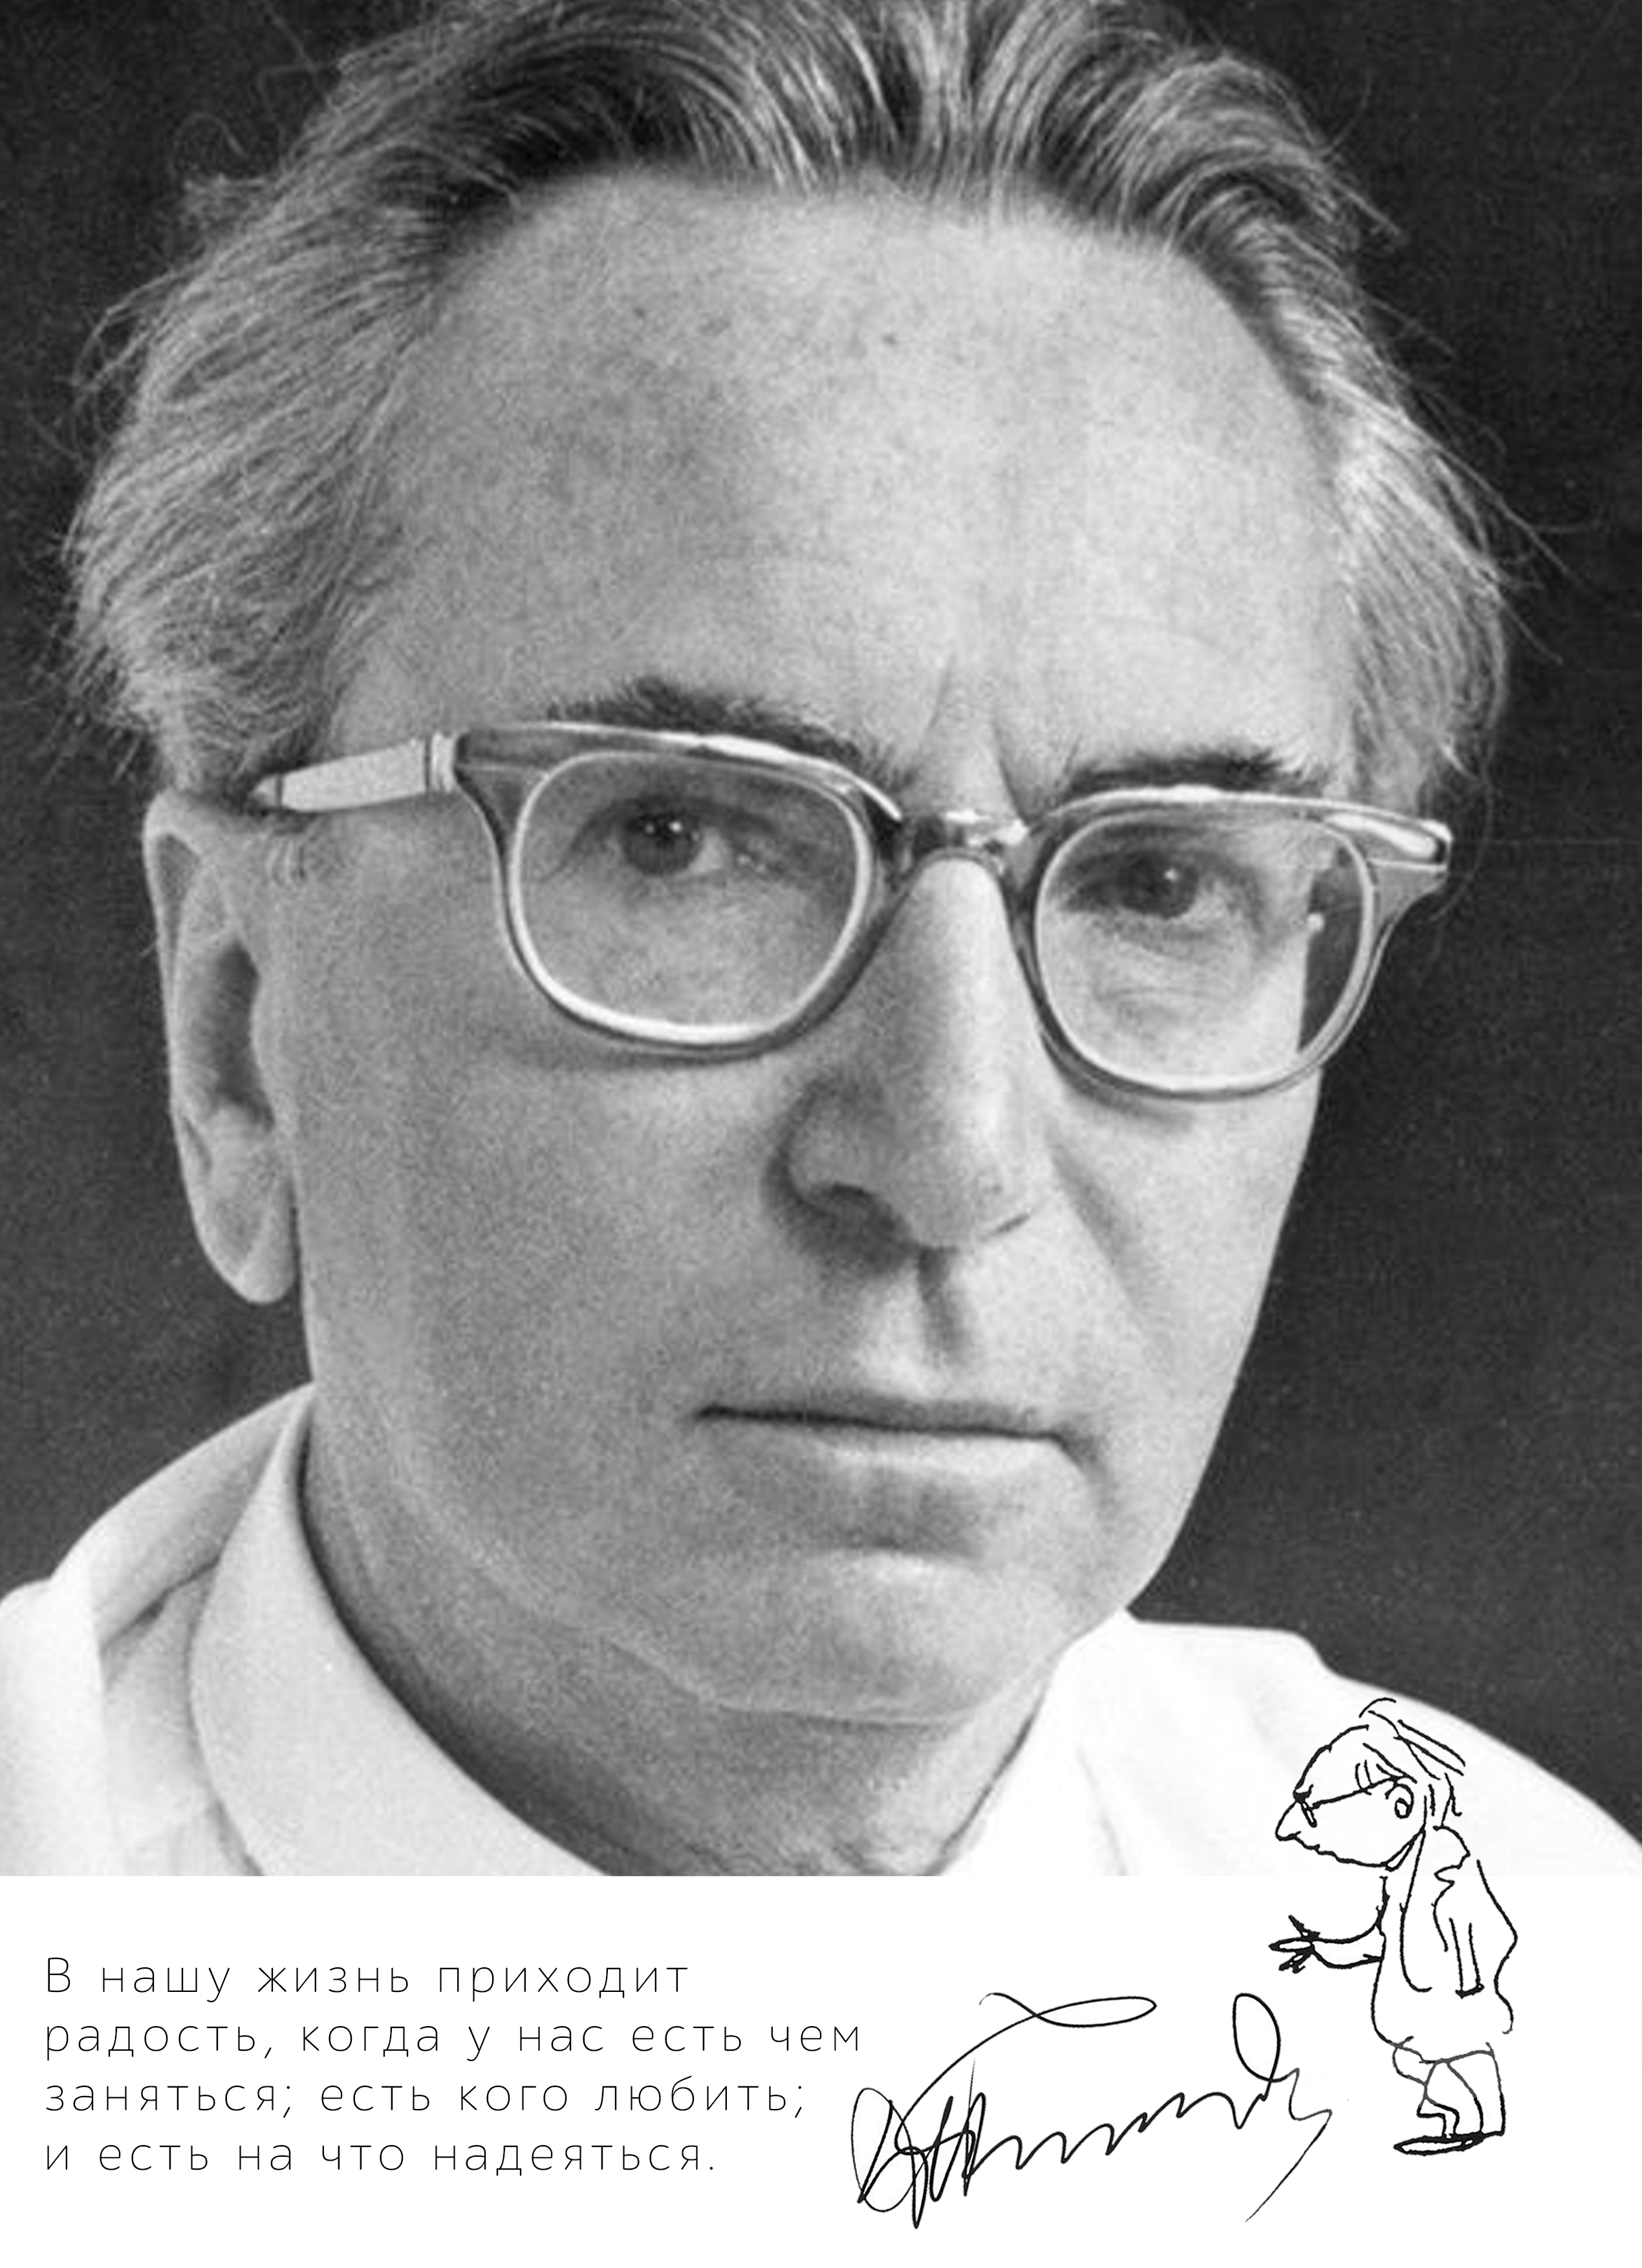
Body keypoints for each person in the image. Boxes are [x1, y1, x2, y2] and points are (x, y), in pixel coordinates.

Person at [0, 0, 1634, 1876]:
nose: (949, 1152)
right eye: (680, 841)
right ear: (235, 1034)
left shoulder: (1555, 1984)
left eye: (1156, 883)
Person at [1273, 1700, 1517, 2155]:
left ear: (1401, 1802)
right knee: (1419, 2062)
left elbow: (1491, 1930)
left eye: (1314, 1813)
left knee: (1454, 2060)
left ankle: (1476, 2127)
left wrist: (1466, 1984)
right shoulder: (1402, 1877)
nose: (1294, 1831)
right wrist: (1325, 1949)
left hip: (1449, 2013)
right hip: (1426, 2016)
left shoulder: (1446, 1871)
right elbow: (1379, 1940)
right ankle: (1464, 2123)